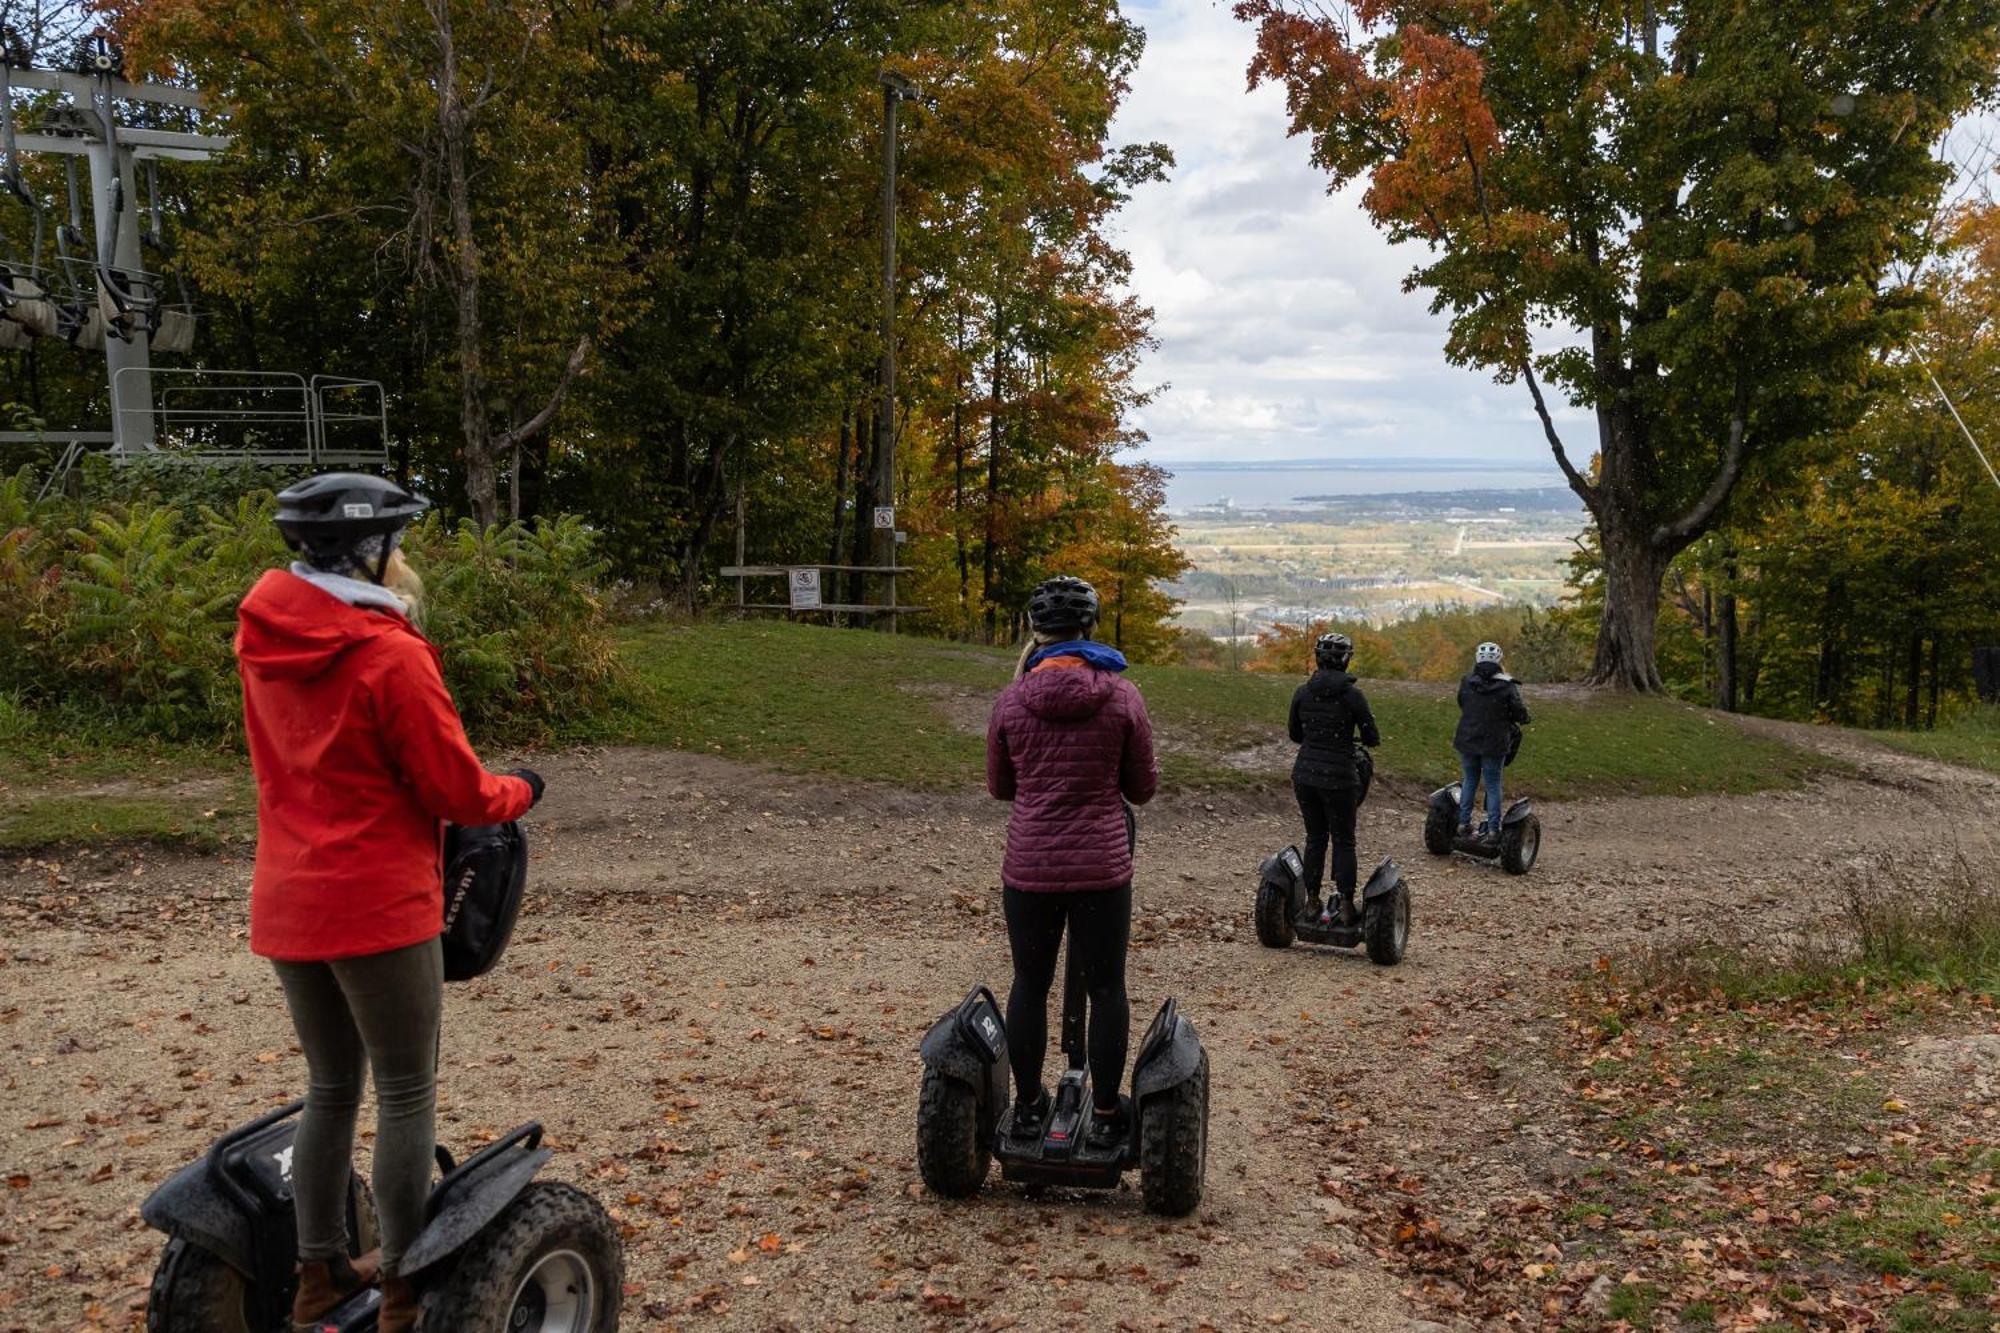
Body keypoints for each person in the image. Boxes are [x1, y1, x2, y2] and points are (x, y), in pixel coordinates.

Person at [235, 473, 543, 1332]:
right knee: (408, 1091)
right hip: (375, 903)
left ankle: (317, 1279)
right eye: (397, 542)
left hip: (290, 900)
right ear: (369, 551)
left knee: (331, 1085)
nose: (404, 557)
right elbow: (458, 788)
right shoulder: (388, 653)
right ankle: (406, 1289)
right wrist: (522, 788)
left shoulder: (263, 636)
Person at [986, 575, 1158, 1150]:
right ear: (1089, 627)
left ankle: (1030, 1107)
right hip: (1101, 868)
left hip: (1030, 866)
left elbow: (999, 787)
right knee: (1107, 986)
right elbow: (1143, 787)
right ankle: (1107, 1112)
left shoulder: (1010, 700)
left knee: (1029, 984)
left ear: (1036, 632)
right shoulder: (1121, 696)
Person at [1288, 631, 1381, 926]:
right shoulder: (1353, 695)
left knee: (1315, 837)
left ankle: (1313, 901)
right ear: (1345, 660)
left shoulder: (1303, 692)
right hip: (1340, 777)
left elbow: (1295, 734)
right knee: (1344, 841)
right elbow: (1371, 736)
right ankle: (1346, 904)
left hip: (1305, 775)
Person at [1453, 640, 1530, 842]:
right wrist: (1523, 718)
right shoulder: (1507, 686)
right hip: (1495, 743)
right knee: (1493, 784)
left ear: (1477, 658)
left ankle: (1463, 823)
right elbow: (1519, 712)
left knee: (1469, 780)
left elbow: (1462, 703)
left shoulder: (1466, 681)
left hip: (1468, 739)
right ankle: (1494, 830)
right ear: (1499, 660)